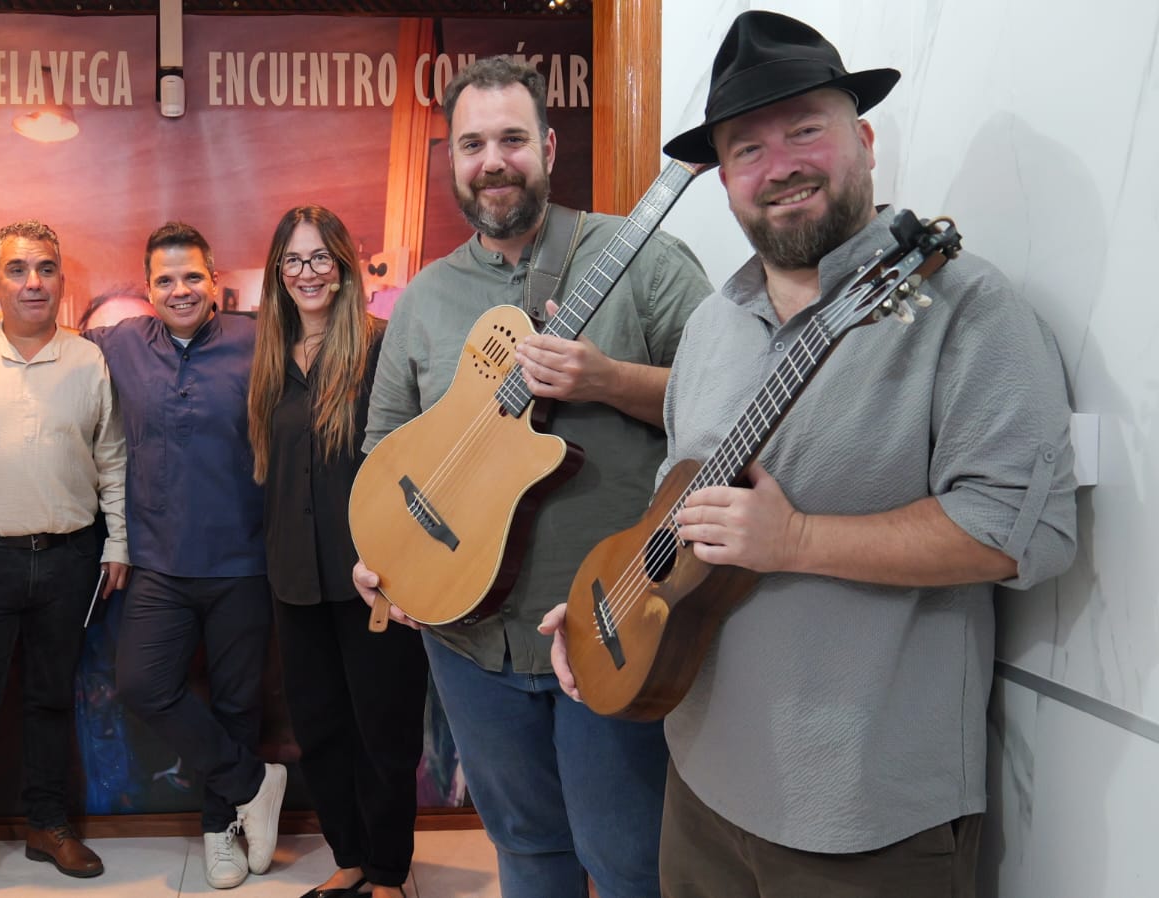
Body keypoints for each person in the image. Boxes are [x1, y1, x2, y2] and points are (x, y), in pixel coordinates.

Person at [544, 12, 1078, 897]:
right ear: (723, 183)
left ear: (861, 140)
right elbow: (681, 513)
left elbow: (1019, 533)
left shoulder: (966, 308)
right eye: (746, 148)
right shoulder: (711, 326)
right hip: (701, 783)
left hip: (866, 817)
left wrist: (796, 542)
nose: (779, 163)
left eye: (805, 129)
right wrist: (617, 607)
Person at [353, 57, 712, 897]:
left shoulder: (645, 261)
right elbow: (382, 447)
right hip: (469, 642)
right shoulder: (424, 300)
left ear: (547, 146)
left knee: (628, 864)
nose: (493, 161)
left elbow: (730, 409)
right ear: (452, 160)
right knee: (525, 851)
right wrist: (381, 557)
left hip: (606, 628)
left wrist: (607, 380)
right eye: (473, 143)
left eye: (512, 138)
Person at [0, 222, 287, 890]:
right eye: (164, 280)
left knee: (236, 703)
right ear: (148, 289)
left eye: (192, 276)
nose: (180, 290)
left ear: (214, 277)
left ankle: (220, 826)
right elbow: (45, 332)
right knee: (143, 683)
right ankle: (256, 782)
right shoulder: (118, 344)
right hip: (158, 563)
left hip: (243, 563)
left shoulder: (260, 342)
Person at [0, 220, 128, 898]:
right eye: (17, 270)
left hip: (70, 558)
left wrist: (119, 541)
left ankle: (47, 824)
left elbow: (112, 458)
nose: (32, 282)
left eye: (44, 269)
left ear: (62, 279)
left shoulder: (88, 360)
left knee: (49, 700)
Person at [247, 206, 428, 898]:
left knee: (384, 733)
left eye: (320, 257)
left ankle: (385, 873)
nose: (307, 273)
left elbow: (415, 459)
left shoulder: (381, 347)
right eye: (293, 260)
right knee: (319, 730)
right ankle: (348, 857)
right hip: (294, 580)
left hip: (374, 580)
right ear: (277, 273)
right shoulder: (269, 359)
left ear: (347, 266)